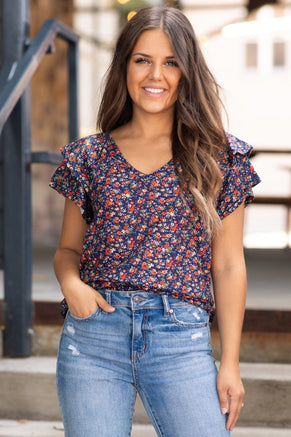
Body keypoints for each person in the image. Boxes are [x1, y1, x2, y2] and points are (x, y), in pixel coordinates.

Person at [49, 6, 260, 437]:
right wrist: (72, 286)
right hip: (94, 338)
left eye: (171, 63)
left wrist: (231, 363)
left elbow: (229, 265)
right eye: (142, 60)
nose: (155, 76)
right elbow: (67, 251)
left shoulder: (220, 159)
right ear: (125, 66)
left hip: (180, 339)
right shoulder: (89, 158)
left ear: (187, 72)